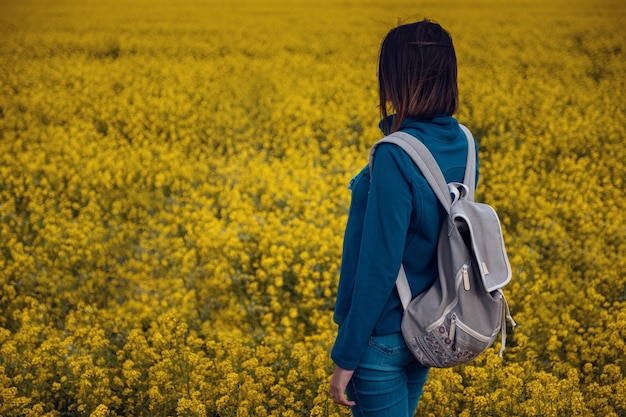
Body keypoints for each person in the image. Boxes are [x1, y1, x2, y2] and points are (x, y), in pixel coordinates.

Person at [329, 19, 478, 416]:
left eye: (384, 69)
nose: (379, 77)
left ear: (401, 77)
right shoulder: (464, 141)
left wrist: (346, 357)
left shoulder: (396, 154)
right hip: (428, 325)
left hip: (382, 339)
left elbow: (379, 266)